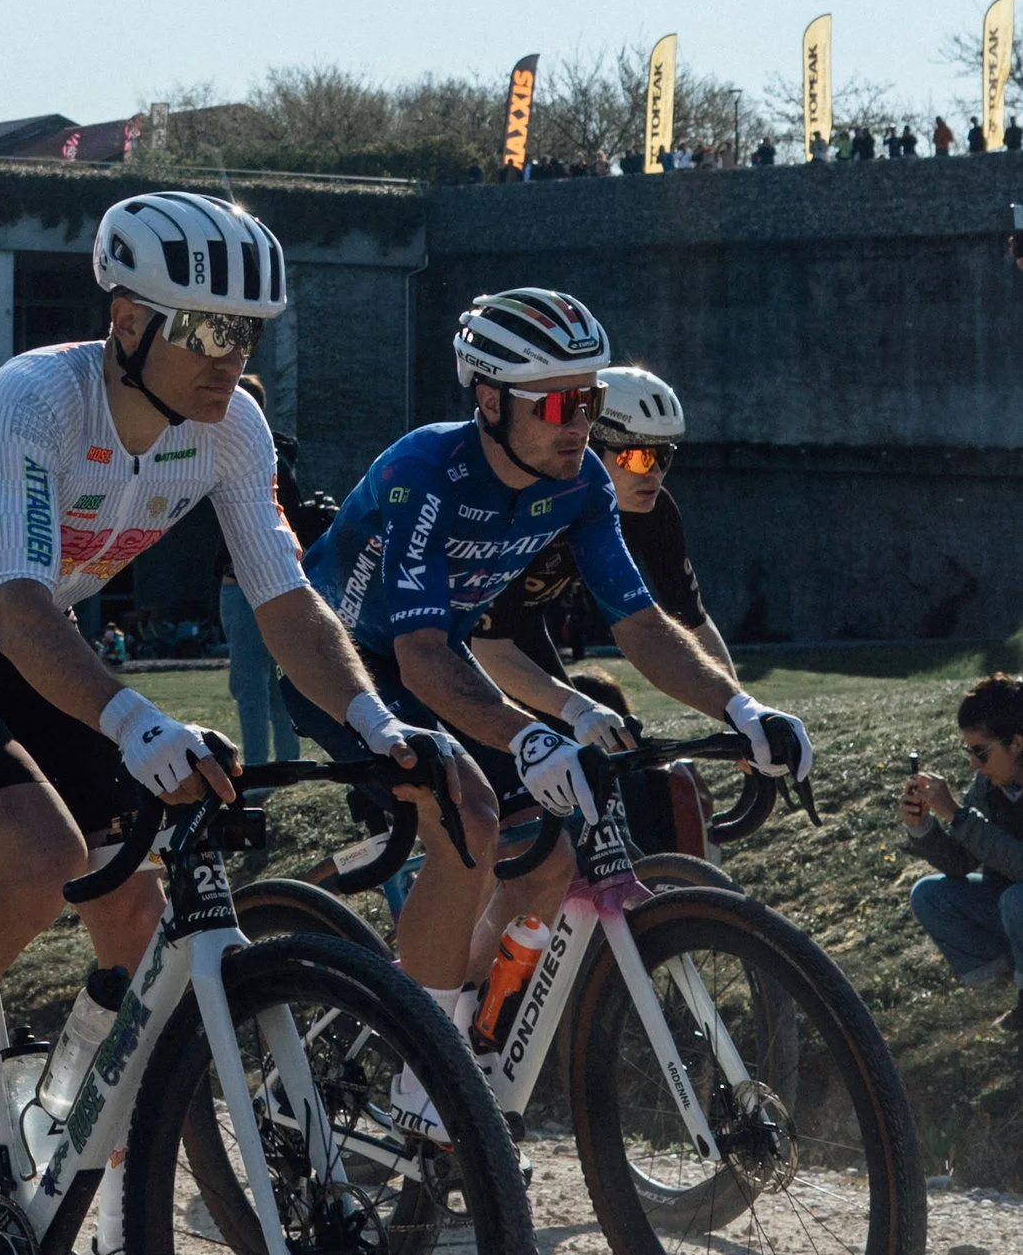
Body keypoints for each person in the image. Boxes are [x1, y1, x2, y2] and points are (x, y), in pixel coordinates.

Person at [0, 190, 471, 1255]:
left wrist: (380, 730)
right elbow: (24, 610)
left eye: (249, 333)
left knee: (132, 914)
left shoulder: (230, 428)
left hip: (39, 648)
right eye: (207, 330)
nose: (232, 356)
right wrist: (134, 721)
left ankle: (103, 1198)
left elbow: (288, 606)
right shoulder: (35, 400)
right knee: (37, 858)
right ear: (127, 318)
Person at [298, 290, 810, 1062]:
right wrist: (534, 736)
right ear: (490, 399)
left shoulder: (582, 484)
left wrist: (741, 708)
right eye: (561, 404)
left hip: (435, 661)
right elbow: (420, 659)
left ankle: (468, 1031)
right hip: (342, 664)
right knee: (469, 822)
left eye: (592, 399)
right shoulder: (424, 473)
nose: (581, 424)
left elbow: (641, 626)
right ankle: (426, 1073)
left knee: (548, 864)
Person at [467, 363, 734, 712]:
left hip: (521, 628)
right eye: (636, 457)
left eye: (663, 456)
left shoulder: (653, 512)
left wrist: (745, 713)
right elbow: (485, 645)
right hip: (449, 639)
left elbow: (692, 621)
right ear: (587, 447)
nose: (653, 473)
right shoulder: (530, 505)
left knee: (590, 746)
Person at [902, 676, 1023, 1025]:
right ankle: (1014, 982)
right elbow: (960, 861)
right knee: (929, 895)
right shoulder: (989, 784)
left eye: (980, 752)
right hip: (1010, 907)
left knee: (1017, 901)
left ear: (1016, 743)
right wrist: (922, 825)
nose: (974, 764)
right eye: (969, 752)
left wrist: (957, 814)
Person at [216, 375, 308, 768]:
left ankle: (256, 769)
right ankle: (285, 759)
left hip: (247, 587)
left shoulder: (262, 460)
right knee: (266, 682)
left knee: (249, 683)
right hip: (244, 584)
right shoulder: (264, 457)